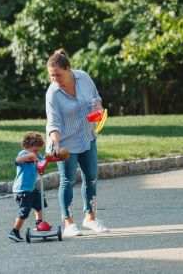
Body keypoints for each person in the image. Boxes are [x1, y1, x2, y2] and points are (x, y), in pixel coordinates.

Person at [46, 49, 108, 237]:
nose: (54, 79)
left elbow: (95, 98)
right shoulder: (53, 93)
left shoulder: (83, 78)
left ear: (69, 70)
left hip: (86, 136)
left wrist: (97, 109)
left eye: (57, 74)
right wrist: (56, 144)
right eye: (51, 75)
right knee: (67, 180)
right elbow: (53, 122)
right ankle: (68, 223)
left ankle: (90, 218)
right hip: (64, 142)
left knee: (91, 177)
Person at [8, 132, 46, 242]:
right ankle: (14, 231)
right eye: (35, 150)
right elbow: (17, 161)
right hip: (22, 190)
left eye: (38, 150)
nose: (36, 152)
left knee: (40, 205)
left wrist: (46, 159)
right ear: (27, 146)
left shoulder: (37, 156)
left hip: (32, 188)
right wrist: (29, 156)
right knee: (25, 211)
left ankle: (39, 224)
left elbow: (42, 163)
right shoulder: (23, 154)